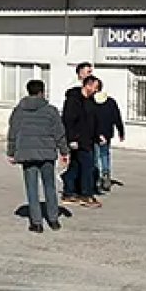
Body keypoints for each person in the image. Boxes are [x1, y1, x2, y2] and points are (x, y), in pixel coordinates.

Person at [6, 79, 70, 233]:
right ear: (42, 92)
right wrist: (64, 151)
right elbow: (59, 133)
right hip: (47, 153)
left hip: (27, 154)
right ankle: (53, 220)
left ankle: (36, 222)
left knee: (32, 188)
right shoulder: (51, 111)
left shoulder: (19, 110)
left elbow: (13, 132)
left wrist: (11, 152)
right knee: (49, 186)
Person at [60, 76, 102, 207]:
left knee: (75, 167)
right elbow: (68, 120)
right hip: (78, 141)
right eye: (95, 88)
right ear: (88, 85)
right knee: (88, 167)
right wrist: (72, 139)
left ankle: (69, 192)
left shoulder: (90, 101)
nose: (96, 91)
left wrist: (97, 135)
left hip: (88, 139)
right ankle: (86, 194)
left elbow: (92, 120)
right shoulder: (73, 100)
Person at [93, 88, 125, 192]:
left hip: (94, 134)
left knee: (96, 156)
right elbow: (117, 118)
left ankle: (97, 178)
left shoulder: (91, 102)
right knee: (104, 154)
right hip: (107, 134)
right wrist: (121, 131)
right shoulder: (111, 102)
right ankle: (105, 176)